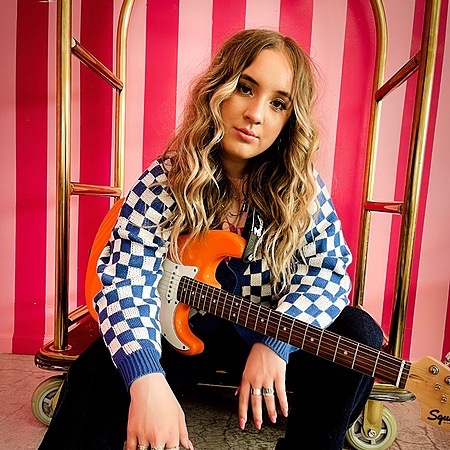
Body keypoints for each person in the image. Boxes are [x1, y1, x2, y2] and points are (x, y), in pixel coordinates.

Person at [39, 28, 383, 450]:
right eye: (245, 88)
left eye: (278, 103)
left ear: (289, 120)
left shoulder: (304, 188)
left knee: (359, 333)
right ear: (218, 89)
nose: (256, 114)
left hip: (267, 331)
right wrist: (145, 379)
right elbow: (126, 276)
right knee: (102, 366)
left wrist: (278, 343)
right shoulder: (167, 177)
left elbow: (328, 272)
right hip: (183, 331)